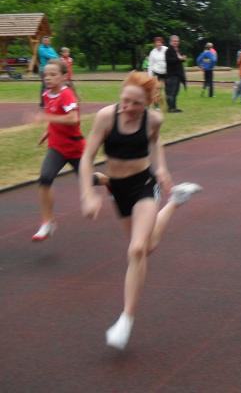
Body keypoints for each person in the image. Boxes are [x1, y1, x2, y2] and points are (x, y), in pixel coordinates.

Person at [78, 72, 200, 349]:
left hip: (143, 185)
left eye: (136, 103)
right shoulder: (106, 117)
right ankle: (176, 201)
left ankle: (126, 318)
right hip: (117, 189)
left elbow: (155, 141)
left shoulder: (153, 119)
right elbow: (86, 158)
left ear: (147, 103)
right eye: (125, 100)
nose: (128, 107)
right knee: (147, 247)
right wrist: (87, 193)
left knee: (136, 250)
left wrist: (162, 168)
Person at [29, 59, 85, 241]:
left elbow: (73, 119)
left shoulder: (67, 94)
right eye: (45, 75)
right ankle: (48, 222)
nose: (48, 78)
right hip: (56, 147)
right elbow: (55, 116)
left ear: (64, 76)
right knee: (45, 178)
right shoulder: (46, 94)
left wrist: (47, 117)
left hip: (75, 148)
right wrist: (47, 132)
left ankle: (108, 182)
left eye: (53, 74)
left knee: (90, 180)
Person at [37, 36, 59, 107]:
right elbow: (49, 56)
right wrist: (54, 57)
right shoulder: (41, 49)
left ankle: (51, 101)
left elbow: (56, 56)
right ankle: (43, 103)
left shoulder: (51, 48)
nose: (46, 42)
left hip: (51, 69)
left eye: (47, 40)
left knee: (52, 85)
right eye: (45, 40)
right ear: (42, 41)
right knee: (45, 86)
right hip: (43, 70)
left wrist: (55, 57)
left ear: (49, 41)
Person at [147, 36, 168, 110]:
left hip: (166, 72)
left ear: (162, 43)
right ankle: (156, 105)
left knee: (167, 90)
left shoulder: (166, 49)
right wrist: (150, 76)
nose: (158, 44)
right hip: (157, 73)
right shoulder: (152, 52)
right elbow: (150, 65)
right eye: (157, 42)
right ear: (155, 44)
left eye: (160, 42)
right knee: (157, 90)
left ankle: (169, 105)